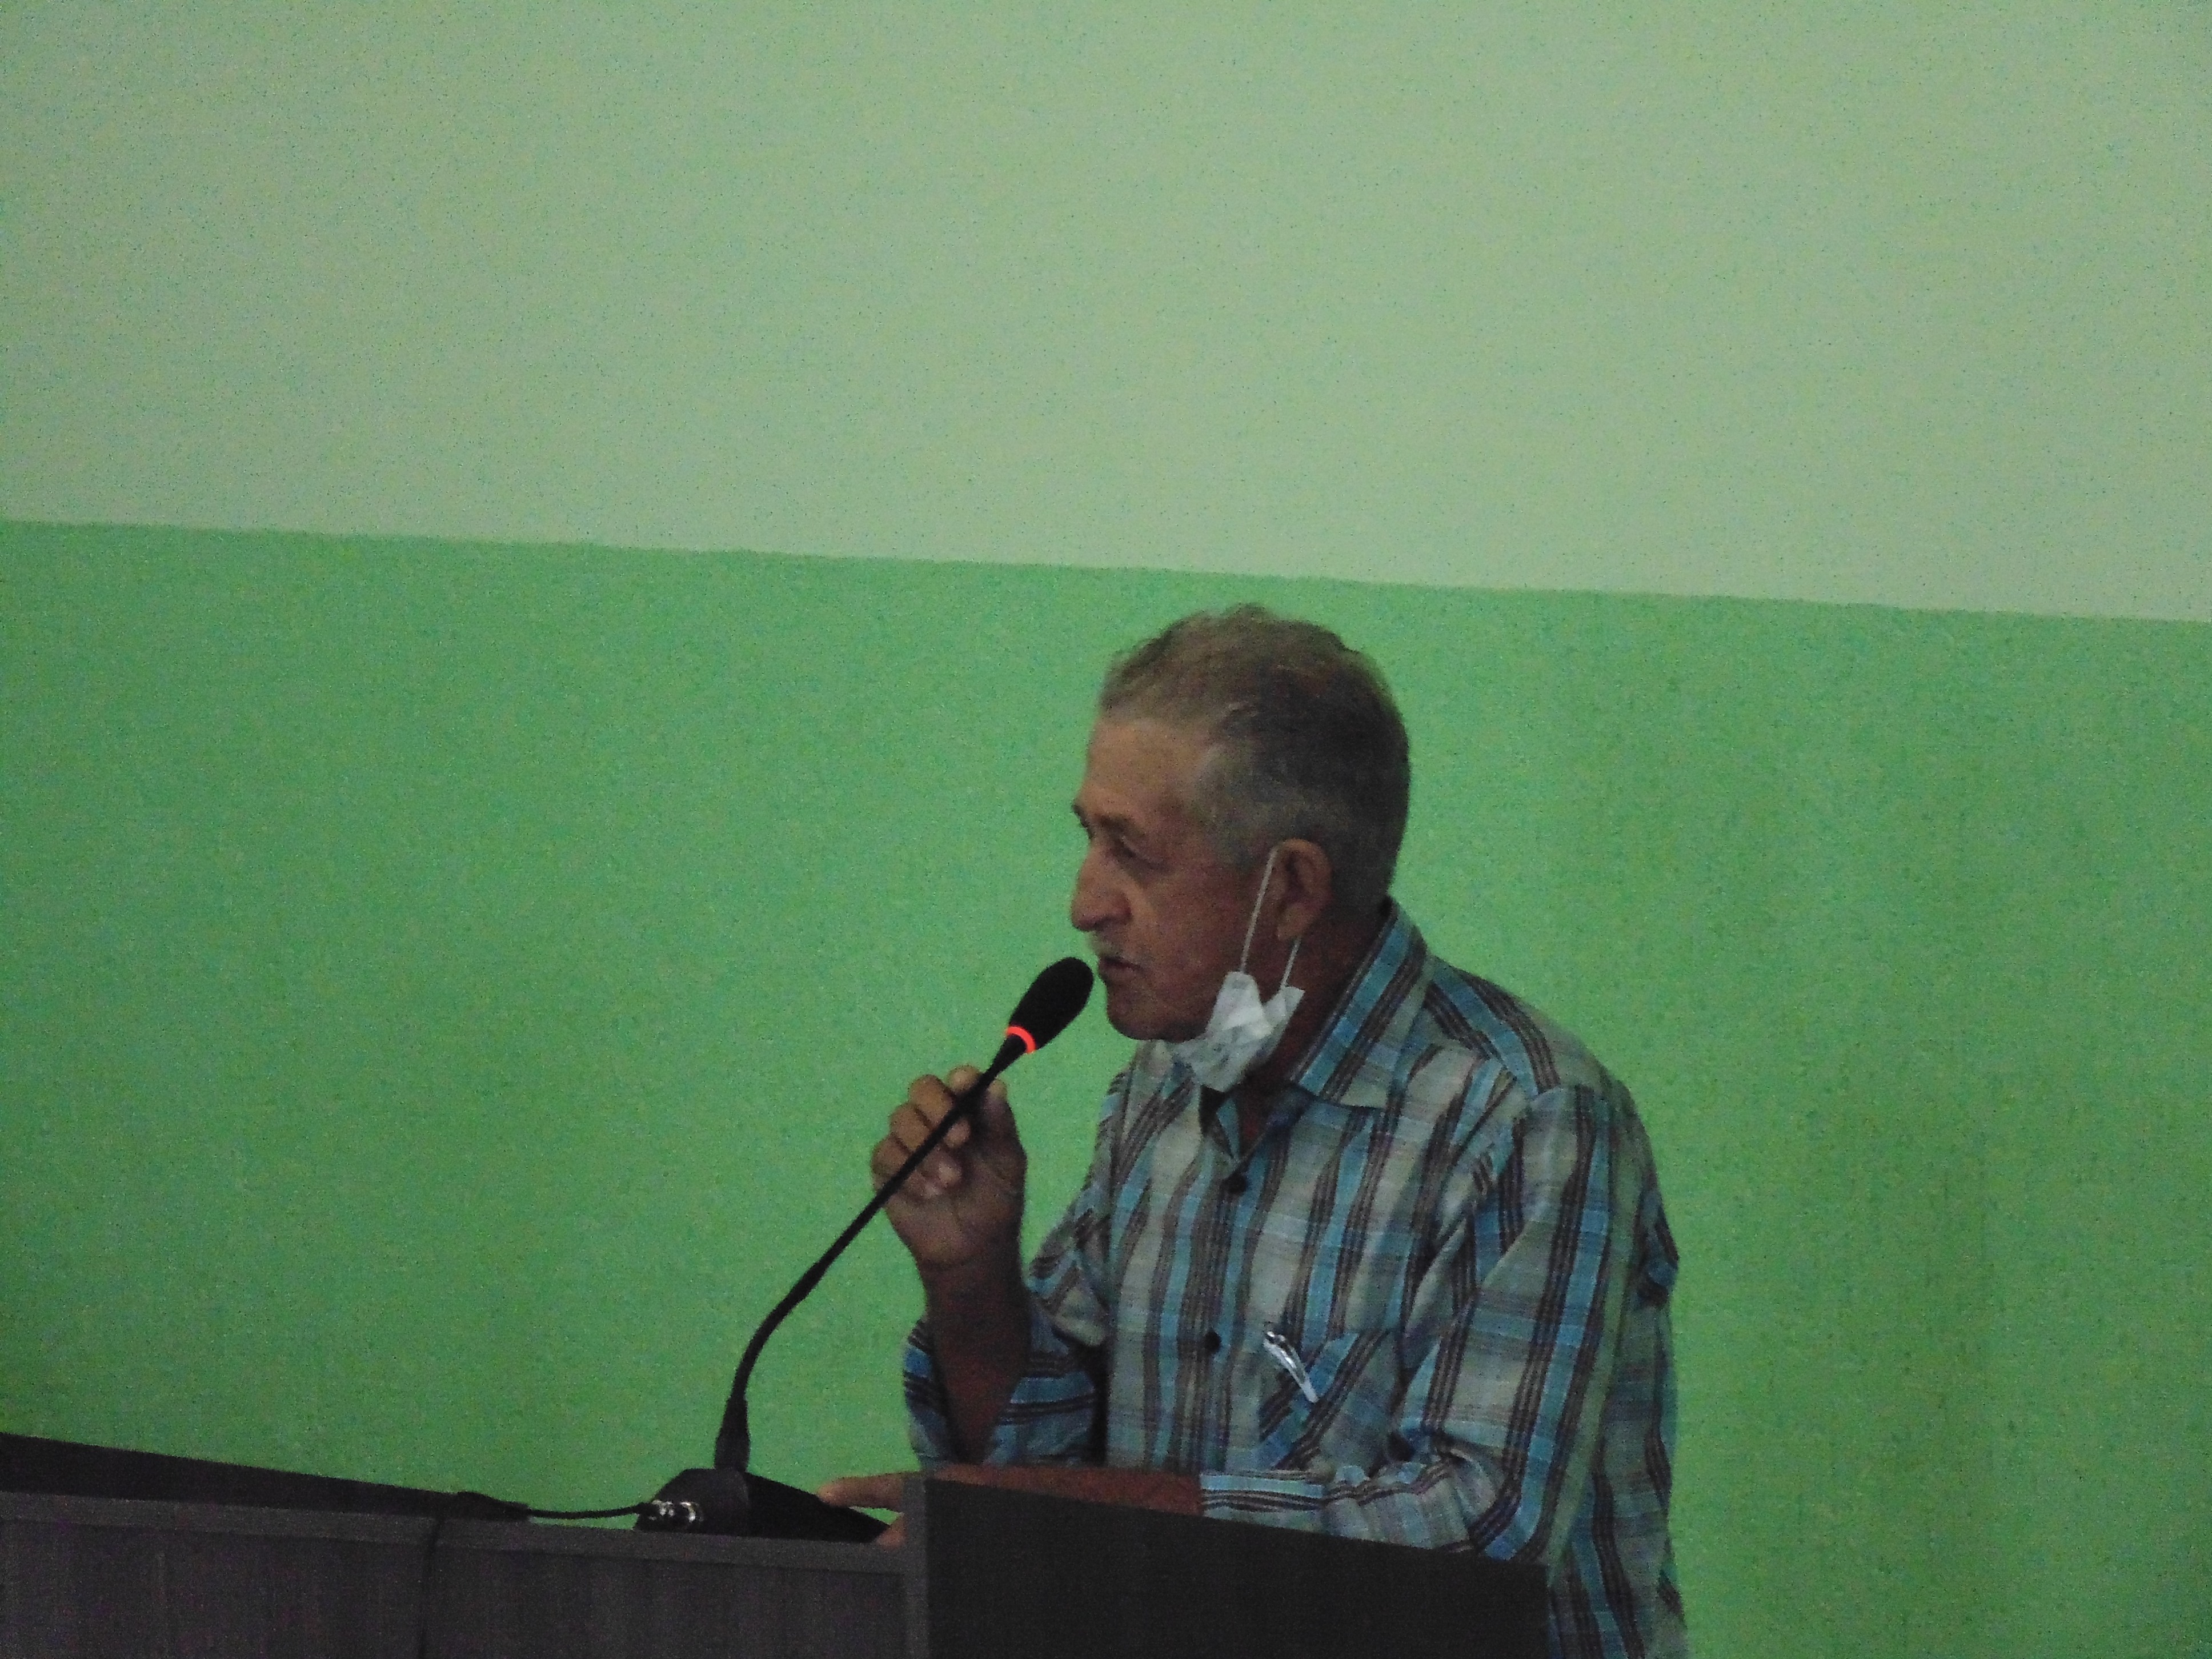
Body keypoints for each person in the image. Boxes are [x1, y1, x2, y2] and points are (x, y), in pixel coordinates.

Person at [822, 607, 1684, 1659]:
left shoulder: (1527, 1120)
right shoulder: (1163, 1089)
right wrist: (969, 1276)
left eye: (1133, 853)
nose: (1085, 903)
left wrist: (1082, 1510)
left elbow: (1475, 1533)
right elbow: (1037, 1467)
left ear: (1293, 890)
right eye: (1087, 837)